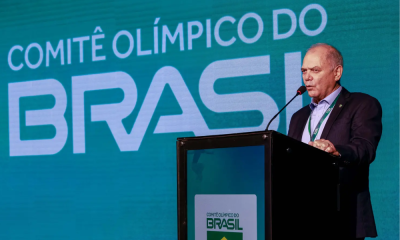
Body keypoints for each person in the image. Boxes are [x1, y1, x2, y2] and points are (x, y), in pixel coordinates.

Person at [288, 43, 382, 240]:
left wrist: (336, 150)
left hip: (341, 217)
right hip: (301, 218)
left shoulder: (361, 104)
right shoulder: (298, 117)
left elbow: (364, 148)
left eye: (315, 70)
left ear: (337, 72)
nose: (307, 77)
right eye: (304, 70)